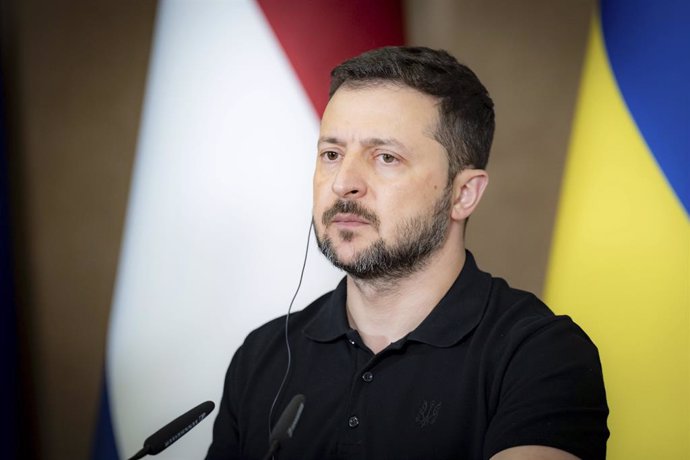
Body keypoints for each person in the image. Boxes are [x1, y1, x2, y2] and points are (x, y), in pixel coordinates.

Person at [206, 46, 608, 460]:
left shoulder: (540, 355)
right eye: (331, 154)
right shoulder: (262, 355)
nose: (344, 182)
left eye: (386, 157)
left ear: (463, 193)